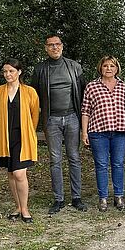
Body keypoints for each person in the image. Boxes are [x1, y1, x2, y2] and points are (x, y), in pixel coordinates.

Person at [32, 34, 86, 215]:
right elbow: (34, 96)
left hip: (72, 117)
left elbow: (83, 92)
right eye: (51, 45)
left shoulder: (74, 66)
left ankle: (77, 197)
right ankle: (59, 199)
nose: (54, 48)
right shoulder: (40, 69)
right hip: (51, 119)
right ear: (45, 48)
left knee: (74, 157)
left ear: (62, 46)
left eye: (57, 44)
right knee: (55, 160)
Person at [81, 56, 125, 211]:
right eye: (106, 66)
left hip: (120, 132)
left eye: (112, 66)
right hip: (98, 131)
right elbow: (85, 111)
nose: (109, 68)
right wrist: (84, 133)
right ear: (101, 68)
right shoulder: (92, 87)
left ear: (117, 68)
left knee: (118, 163)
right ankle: (103, 198)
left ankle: (118, 196)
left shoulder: (123, 86)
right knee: (101, 165)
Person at [0, 59, 40, 223]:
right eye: (5, 71)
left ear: (19, 72)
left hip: (23, 136)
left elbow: (35, 115)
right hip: (5, 137)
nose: (8, 74)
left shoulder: (30, 91)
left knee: (20, 173)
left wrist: (29, 133)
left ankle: (25, 208)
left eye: (11, 71)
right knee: (11, 173)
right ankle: (18, 206)